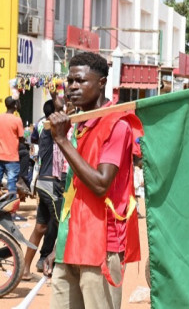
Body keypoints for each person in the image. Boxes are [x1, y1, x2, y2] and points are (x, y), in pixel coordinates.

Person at [43, 52, 143, 309]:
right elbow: (74, 194)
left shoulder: (116, 124)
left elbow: (100, 185)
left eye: (81, 81)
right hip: (72, 242)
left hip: (102, 245)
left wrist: (62, 141)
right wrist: (58, 245)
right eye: (70, 81)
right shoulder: (79, 124)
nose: (73, 87)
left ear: (101, 83)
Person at [23, 99, 61, 281]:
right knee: (64, 226)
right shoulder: (50, 127)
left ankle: (24, 268)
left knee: (40, 227)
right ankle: (52, 266)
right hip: (51, 182)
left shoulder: (43, 126)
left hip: (42, 182)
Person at [0, 97, 24, 196]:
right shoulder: (17, 120)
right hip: (12, 157)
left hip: (0, 155)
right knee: (11, 184)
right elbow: (21, 137)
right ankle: (11, 209)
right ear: (15, 105)